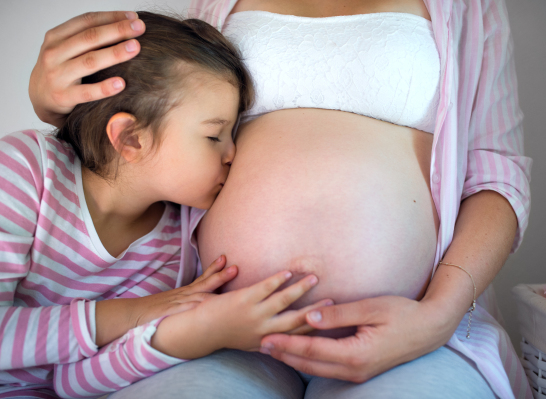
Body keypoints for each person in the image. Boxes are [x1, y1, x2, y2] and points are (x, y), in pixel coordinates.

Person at [28, 0, 534, 398]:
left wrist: (437, 316)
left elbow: (496, 173)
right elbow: (146, 132)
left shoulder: (467, 8)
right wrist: (55, 105)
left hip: (410, 331)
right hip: (217, 329)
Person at [1, 12, 330, 399]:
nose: (233, 154)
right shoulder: (24, 171)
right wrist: (135, 313)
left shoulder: (175, 245)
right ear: (132, 139)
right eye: (214, 136)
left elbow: (75, 382)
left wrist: (189, 335)